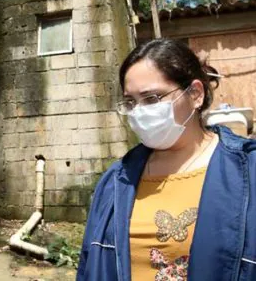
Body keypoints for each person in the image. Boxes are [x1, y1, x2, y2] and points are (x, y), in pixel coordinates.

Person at [76, 39, 256, 281]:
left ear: (195, 94)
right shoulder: (116, 181)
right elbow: (91, 266)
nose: (139, 111)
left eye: (152, 98)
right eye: (130, 102)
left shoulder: (247, 173)